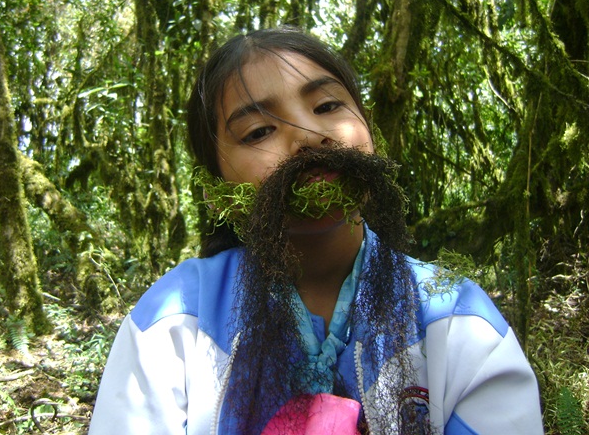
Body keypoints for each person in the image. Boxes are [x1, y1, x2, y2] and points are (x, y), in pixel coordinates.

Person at [88, 27, 543, 434]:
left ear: (371, 134)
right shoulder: (173, 327)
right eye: (258, 131)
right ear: (215, 193)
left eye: (327, 106)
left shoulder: (458, 323)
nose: (307, 134)